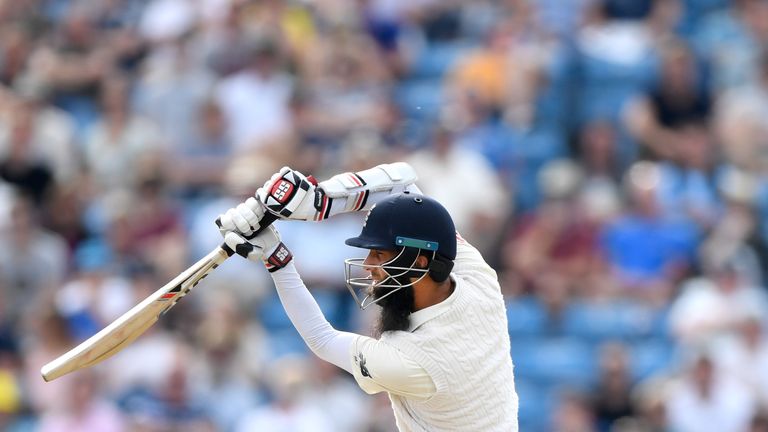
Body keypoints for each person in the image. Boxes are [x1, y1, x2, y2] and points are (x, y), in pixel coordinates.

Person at [216, 162, 518, 431]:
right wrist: (317, 200)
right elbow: (403, 186)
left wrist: (275, 256)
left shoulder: (417, 362)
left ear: (420, 262)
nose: (369, 266)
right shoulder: (477, 280)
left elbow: (322, 339)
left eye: (380, 254)